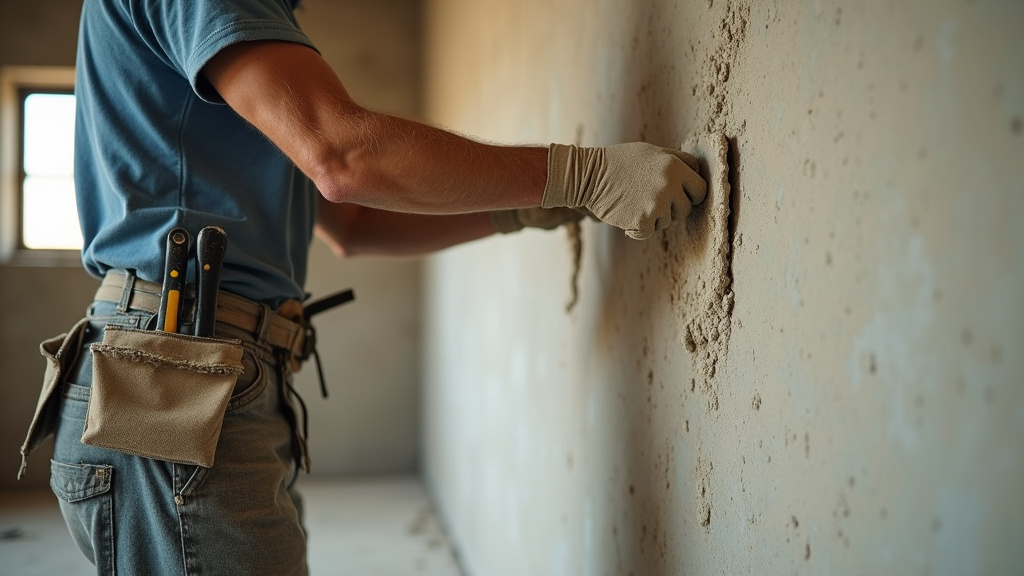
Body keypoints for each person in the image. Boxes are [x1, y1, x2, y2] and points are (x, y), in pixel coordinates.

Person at [20, 1, 707, 575]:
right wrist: (578, 174)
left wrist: (519, 208)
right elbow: (342, 155)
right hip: (171, 377)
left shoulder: (242, 36)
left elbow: (348, 221)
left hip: (196, 367)